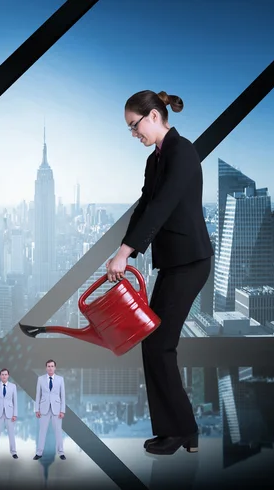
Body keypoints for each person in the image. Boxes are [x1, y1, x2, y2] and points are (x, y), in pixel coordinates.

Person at [106, 90, 213, 456]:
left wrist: (124, 253)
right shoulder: (155, 161)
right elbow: (144, 207)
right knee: (154, 343)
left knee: (158, 344)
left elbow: (164, 206)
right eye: (130, 129)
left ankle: (182, 430)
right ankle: (179, 430)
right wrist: (125, 250)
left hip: (190, 261)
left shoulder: (182, 152)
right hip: (173, 261)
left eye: (135, 126)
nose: (134, 134)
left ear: (154, 116)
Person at [33, 359, 66, 460]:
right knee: (42, 431)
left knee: (58, 432)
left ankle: (61, 452)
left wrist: (62, 410)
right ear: (46, 368)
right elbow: (38, 395)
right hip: (44, 409)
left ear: (55, 368)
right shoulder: (40, 379)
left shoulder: (60, 379)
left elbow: (63, 395)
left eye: (52, 366)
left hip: (56, 408)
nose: (50, 368)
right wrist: (36, 409)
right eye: (48, 366)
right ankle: (39, 453)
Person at [0, 368, 19, 459]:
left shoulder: (13, 386)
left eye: (6, 374)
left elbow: (15, 401)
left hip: (10, 413)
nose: (4, 376)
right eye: (2, 374)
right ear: (0, 376)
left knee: (11, 434)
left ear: (8, 376)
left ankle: (14, 452)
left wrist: (15, 414)